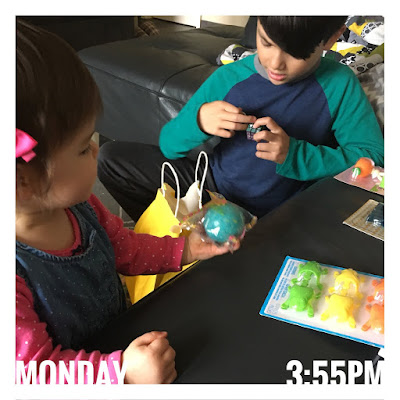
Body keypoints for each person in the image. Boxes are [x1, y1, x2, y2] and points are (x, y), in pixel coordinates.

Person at [15, 20, 237, 385]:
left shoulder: (79, 208)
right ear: (22, 182)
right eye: (83, 147)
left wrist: (184, 250)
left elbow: (123, 247)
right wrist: (121, 374)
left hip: (119, 337)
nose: (97, 151)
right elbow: (35, 374)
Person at [98, 16, 384, 221]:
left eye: (295, 54)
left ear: (331, 39)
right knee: (111, 159)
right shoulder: (229, 78)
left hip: (287, 210)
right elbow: (169, 145)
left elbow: (373, 157)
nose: (275, 64)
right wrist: (198, 121)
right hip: (213, 187)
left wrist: (296, 155)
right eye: (266, 43)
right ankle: (177, 241)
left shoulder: (338, 83)